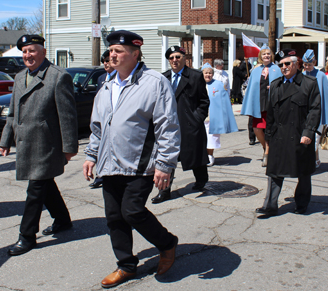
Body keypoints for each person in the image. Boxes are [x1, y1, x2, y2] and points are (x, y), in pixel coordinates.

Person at [82, 30, 181, 288]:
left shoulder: (154, 82)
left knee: (132, 211)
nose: (112, 55)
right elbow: (98, 128)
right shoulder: (106, 86)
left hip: (141, 164)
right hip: (109, 164)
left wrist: (165, 164)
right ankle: (126, 265)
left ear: (135, 54)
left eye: (118, 51)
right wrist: (91, 155)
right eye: (111, 51)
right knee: (114, 217)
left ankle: (167, 243)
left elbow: (167, 126)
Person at [0, 35, 78, 256]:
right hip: (26, 143)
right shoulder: (19, 77)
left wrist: (69, 147)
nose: (28, 55)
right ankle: (62, 220)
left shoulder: (57, 76)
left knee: (34, 190)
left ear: (43, 51)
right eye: (24, 52)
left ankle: (26, 236)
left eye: (32, 51)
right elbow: (13, 113)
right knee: (44, 185)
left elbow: (68, 115)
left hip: (47, 145)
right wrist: (5, 140)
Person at [255, 49, 321, 217]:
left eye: (287, 64)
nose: (283, 67)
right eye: (281, 64)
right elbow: (271, 113)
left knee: (303, 172)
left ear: (296, 64)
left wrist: (308, 132)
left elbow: (314, 110)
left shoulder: (309, 83)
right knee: (274, 171)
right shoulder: (276, 84)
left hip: (300, 134)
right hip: (279, 135)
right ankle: (270, 205)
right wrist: (268, 137)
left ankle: (302, 203)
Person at [151, 45, 210, 203]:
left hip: (189, 124)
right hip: (168, 125)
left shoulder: (195, 76)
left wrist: (197, 118)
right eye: (171, 58)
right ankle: (164, 191)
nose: (175, 60)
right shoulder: (163, 78)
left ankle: (201, 179)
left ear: (185, 58)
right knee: (167, 157)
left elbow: (204, 101)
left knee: (195, 155)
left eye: (178, 57)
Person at [240, 46, 282, 167]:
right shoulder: (256, 70)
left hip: (271, 104)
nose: (266, 56)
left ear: (272, 55)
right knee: (257, 128)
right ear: (260, 57)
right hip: (259, 103)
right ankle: (266, 148)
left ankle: (268, 153)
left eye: (268, 54)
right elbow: (251, 88)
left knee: (269, 130)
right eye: (264, 54)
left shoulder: (277, 69)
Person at [89, 50, 117, 189]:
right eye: (104, 61)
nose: (106, 63)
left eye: (108, 60)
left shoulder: (119, 77)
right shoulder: (101, 78)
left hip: (114, 121)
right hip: (101, 119)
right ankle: (100, 175)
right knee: (100, 146)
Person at [201, 63, 239, 166]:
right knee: (201, 137)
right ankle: (202, 156)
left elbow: (224, 100)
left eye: (210, 73)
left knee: (212, 137)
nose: (208, 75)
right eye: (206, 73)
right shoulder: (198, 84)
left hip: (213, 116)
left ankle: (210, 155)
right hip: (200, 116)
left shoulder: (218, 84)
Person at [302, 49, 328, 168]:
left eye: (309, 64)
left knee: (314, 139)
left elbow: (325, 97)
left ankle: (311, 162)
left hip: (317, 114)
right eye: (305, 64)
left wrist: (327, 118)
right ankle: (315, 159)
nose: (307, 67)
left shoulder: (321, 76)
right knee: (305, 138)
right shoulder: (301, 75)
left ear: (314, 62)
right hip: (304, 113)